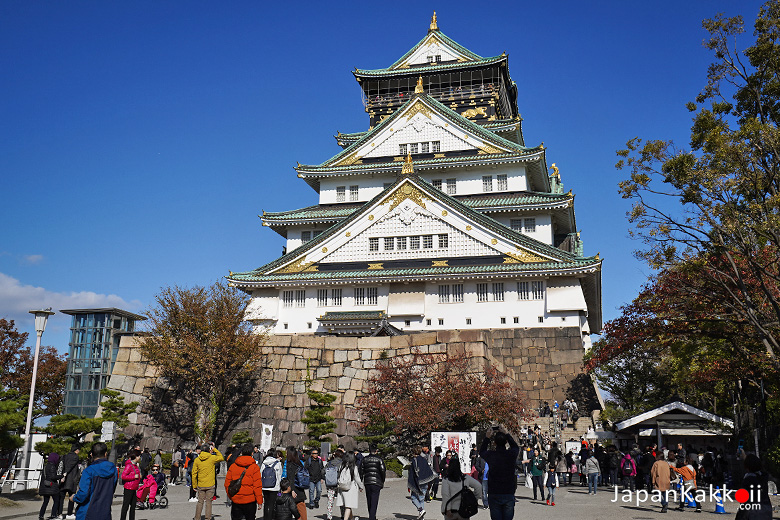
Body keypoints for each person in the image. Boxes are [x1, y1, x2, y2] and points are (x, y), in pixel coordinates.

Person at [479, 427, 519, 520]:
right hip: (508, 491)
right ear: (506, 442)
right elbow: (516, 447)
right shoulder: (510, 454)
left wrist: (487, 437)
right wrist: (507, 434)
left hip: (494, 492)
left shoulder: (491, 455)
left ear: (494, 443)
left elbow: (482, 452)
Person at [69, 442, 116, 520]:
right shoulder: (113, 470)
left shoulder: (89, 471)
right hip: (105, 511)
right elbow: (112, 489)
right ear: (105, 454)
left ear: (91, 454)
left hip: (88, 512)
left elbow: (83, 494)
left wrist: (74, 498)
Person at [225, 443, 264, 520]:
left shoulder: (233, 466)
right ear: (252, 453)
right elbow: (257, 486)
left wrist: (231, 496)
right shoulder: (254, 467)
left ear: (241, 453)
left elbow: (227, 483)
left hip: (236, 499)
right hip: (250, 500)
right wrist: (259, 501)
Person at [441, 455, 482, 519]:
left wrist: (447, 509)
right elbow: (478, 486)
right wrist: (474, 499)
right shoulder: (465, 478)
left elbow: (446, 496)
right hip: (464, 510)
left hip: (451, 511)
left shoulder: (446, 480)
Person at [192, 442, 225, 520]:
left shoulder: (197, 460)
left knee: (200, 502)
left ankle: (197, 517)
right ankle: (208, 518)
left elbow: (194, 473)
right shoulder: (212, 458)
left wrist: (194, 485)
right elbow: (221, 457)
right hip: (210, 484)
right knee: (209, 502)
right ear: (208, 450)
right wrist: (214, 449)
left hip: (201, 484)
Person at [735, 454, 772, 519]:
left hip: (752, 512)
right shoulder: (763, 478)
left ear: (747, 467)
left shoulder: (748, 480)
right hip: (766, 510)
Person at [408, 446, 435, 519]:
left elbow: (413, 473)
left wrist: (410, 483)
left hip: (418, 483)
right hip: (425, 482)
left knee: (413, 498)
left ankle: (421, 510)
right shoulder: (423, 459)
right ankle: (421, 516)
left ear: (414, 452)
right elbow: (427, 470)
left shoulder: (414, 460)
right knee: (421, 499)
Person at [359, 445, 385, 520]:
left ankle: (372, 515)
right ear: (376, 451)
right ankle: (372, 517)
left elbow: (361, 471)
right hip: (376, 481)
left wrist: (360, 482)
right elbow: (383, 470)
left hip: (367, 481)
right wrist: (382, 481)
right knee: (374, 500)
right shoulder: (379, 459)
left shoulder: (364, 459)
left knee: (369, 500)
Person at [336, 452, 363, 520]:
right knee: (348, 506)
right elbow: (357, 478)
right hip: (350, 488)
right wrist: (361, 486)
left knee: (347, 504)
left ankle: (352, 518)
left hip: (342, 487)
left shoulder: (342, 466)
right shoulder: (353, 467)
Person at [59, 445, 80, 520]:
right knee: (71, 497)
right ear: (76, 450)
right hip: (71, 480)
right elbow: (70, 466)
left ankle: (59, 514)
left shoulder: (64, 456)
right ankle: (69, 513)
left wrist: (62, 475)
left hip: (63, 480)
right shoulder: (75, 457)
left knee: (61, 498)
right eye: (78, 450)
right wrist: (66, 472)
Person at [39, 453, 63, 520]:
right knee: (56, 501)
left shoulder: (45, 466)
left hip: (45, 487)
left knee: (45, 502)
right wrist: (62, 476)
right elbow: (53, 477)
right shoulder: (52, 466)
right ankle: (53, 515)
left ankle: (41, 515)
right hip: (52, 487)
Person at [285, 447, 307, 520]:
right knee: (301, 509)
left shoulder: (290, 464)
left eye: (286, 452)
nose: (285, 454)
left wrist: (292, 490)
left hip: (293, 490)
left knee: (292, 510)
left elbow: (290, 478)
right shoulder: (299, 463)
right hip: (300, 488)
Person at [261, 450, 284, 520]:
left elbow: (260, 474)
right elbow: (279, 475)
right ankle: (271, 517)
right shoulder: (277, 463)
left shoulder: (263, 463)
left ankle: (265, 517)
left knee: (266, 503)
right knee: (272, 504)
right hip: (274, 487)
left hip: (264, 486)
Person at [120, 450, 141, 520]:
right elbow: (123, 476)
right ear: (135, 457)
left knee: (133, 506)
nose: (140, 457)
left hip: (134, 488)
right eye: (139, 456)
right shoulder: (129, 466)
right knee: (125, 506)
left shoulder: (135, 465)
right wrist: (134, 477)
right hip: (128, 488)